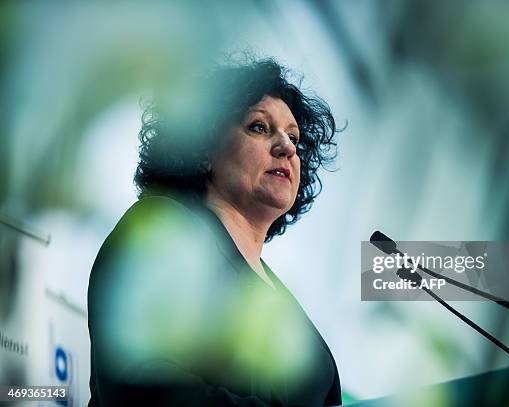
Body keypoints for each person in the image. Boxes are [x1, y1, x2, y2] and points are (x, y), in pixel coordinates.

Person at [87, 57, 342, 406]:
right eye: (258, 127)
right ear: (204, 149)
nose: (287, 147)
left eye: (293, 137)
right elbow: (141, 384)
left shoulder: (286, 308)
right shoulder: (162, 231)